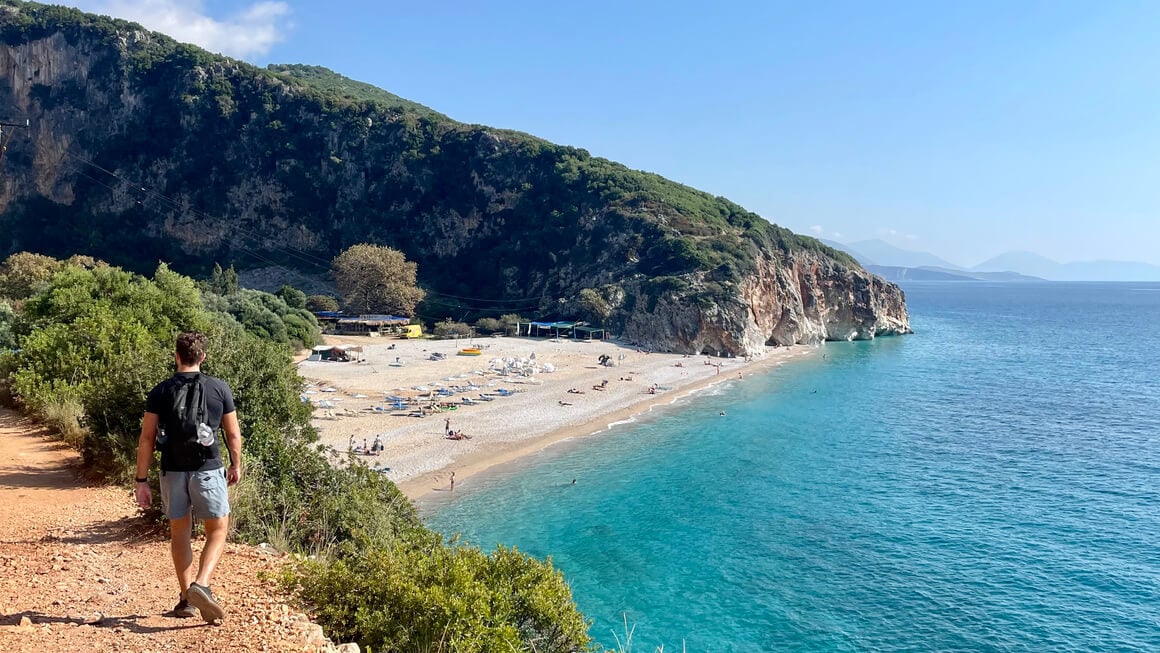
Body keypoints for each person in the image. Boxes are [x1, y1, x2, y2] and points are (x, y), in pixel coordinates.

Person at [135, 332, 241, 623]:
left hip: (172, 471)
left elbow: (146, 439)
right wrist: (236, 464)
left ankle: (186, 600)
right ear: (202, 357)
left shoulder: (160, 391)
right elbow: (232, 433)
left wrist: (141, 481)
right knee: (217, 530)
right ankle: (202, 584)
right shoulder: (219, 388)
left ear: (176, 356)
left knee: (180, 533)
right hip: (207, 469)